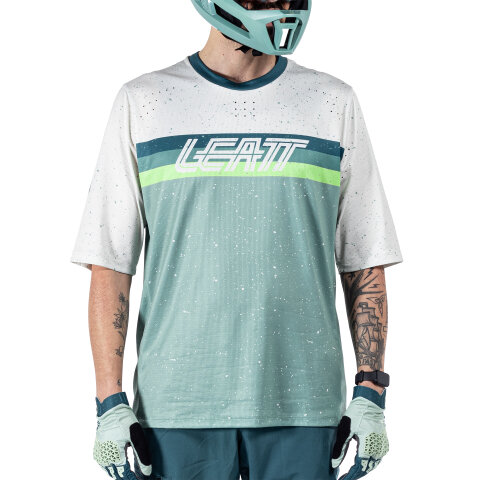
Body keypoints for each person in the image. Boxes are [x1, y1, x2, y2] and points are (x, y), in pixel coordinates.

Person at [70, 1, 403, 479]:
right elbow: (110, 261)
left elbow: (364, 258)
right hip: (176, 409)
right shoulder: (145, 102)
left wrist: (371, 392)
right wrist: (109, 403)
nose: (281, 9)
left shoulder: (332, 102)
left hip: (304, 407)